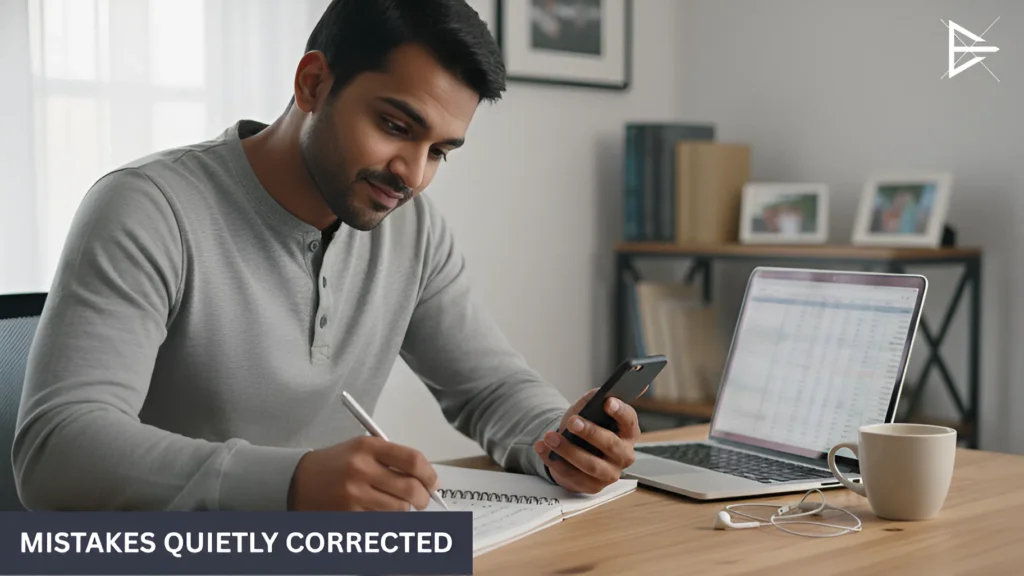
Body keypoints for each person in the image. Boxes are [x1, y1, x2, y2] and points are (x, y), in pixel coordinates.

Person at [12, 0, 640, 512]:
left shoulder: (412, 228)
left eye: (441, 151)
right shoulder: (147, 208)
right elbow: (57, 451)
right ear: (313, 83)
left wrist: (561, 441)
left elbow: (491, 387)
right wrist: (291, 484)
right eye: (396, 126)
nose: (413, 175)